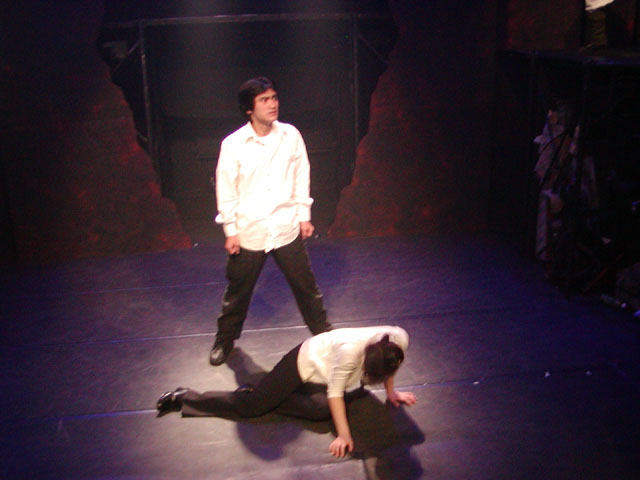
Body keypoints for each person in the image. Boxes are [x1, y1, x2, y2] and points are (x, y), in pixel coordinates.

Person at [209, 76, 333, 366]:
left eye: (274, 98)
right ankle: (224, 340)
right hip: (250, 231)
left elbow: (301, 175)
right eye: (264, 100)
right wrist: (230, 230)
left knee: (307, 288)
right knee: (237, 294)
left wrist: (304, 216)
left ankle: (325, 337)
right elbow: (226, 189)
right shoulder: (233, 144)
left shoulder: (291, 135)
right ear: (249, 108)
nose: (272, 104)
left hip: (285, 227)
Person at [157, 326, 417, 457]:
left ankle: (267, 393)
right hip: (306, 362)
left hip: (327, 374)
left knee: (321, 410)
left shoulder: (398, 339)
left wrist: (391, 393)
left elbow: (390, 367)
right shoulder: (350, 352)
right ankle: (184, 398)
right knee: (254, 406)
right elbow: (336, 393)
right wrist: (344, 435)